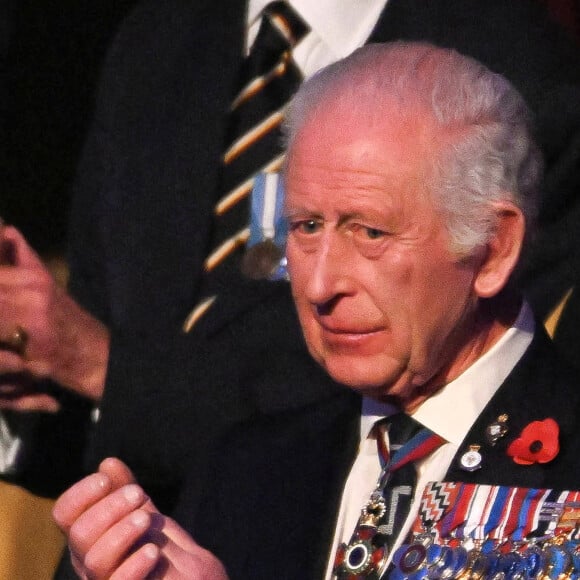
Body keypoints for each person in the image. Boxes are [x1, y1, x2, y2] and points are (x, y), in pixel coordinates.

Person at [53, 41, 580, 580]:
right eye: (305, 227)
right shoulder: (247, 471)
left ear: (492, 248)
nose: (321, 284)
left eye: (370, 232)